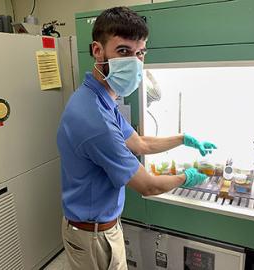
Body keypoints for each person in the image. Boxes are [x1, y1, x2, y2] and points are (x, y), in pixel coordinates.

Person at [56, 6, 216, 270]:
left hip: (100, 226)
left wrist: (184, 138)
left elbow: (140, 143)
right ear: (98, 50)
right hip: (92, 235)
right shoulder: (95, 120)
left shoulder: (98, 98)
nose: (135, 62)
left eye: (140, 53)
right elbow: (148, 186)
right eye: (123, 52)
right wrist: (186, 178)